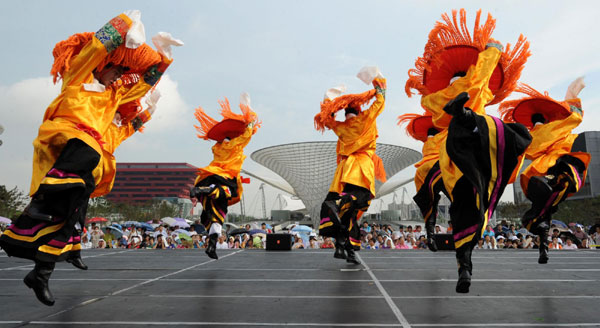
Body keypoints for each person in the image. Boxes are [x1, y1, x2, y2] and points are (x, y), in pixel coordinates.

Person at [0, 11, 182, 306]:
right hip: (66, 135)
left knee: (71, 216)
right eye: (116, 70)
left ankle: (41, 272)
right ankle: (45, 203)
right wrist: (123, 25)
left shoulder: (113, 97)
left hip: (89, 157)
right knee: (78, 166)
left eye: (123, 73)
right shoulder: (80, 76)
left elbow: (139, 91)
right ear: (104, 66)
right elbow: (97, 46)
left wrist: (163, 58)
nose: (119, 77)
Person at [405, 9, 532, 293]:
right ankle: (463, 262)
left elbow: (430, 102)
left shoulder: (436, 99)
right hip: (476, 143)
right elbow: (478, 80)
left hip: (456, 154)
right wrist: (493, 51)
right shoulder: (478, 87)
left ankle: (462, 262)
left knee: (456, 201)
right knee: (514, 137)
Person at [499, 78, 590, 264]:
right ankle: (543, 244)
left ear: (532, 124)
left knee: (542, 214)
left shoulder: (531, 137)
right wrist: (573, 96)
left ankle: (543, 246)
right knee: (549, 201)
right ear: (547, 119)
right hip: (558, 169)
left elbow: (518, 153)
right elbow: (576, 116)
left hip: (533, 177)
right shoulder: (556, 129)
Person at [316, 66, 387, 265]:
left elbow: (326, 119)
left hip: (344, 170)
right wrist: (378, 83)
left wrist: (328, 98)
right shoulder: (366, 120)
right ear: (358, 110)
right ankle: (346, 243)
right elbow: (380, 103)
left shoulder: (341, 127)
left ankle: (343, 246)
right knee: (357, 203)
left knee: (347, 213)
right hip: (362, 166)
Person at [190, 94, 260, 260]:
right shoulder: (233, 146)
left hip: (210, 174)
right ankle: (206, 190)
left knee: (218, 216)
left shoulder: (217, 147)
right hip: (225, 176)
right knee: (226, 193)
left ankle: (212, 245)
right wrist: (248, 116)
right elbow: (247, 135)